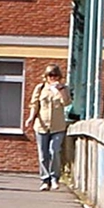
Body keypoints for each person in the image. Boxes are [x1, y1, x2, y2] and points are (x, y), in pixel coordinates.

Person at [24, 63, 72, 191]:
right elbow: (34, 104)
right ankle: (45, 180)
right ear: (46, 76)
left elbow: (67, 103)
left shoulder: (63, 88)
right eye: (50, 75)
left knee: (54, 150)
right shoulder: (40, 88)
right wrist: (30, 118)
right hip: (42, 125)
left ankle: (55, 178)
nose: (53, 78)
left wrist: (60, 90)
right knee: (43, 154)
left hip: (58, 126)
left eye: (55, 75)